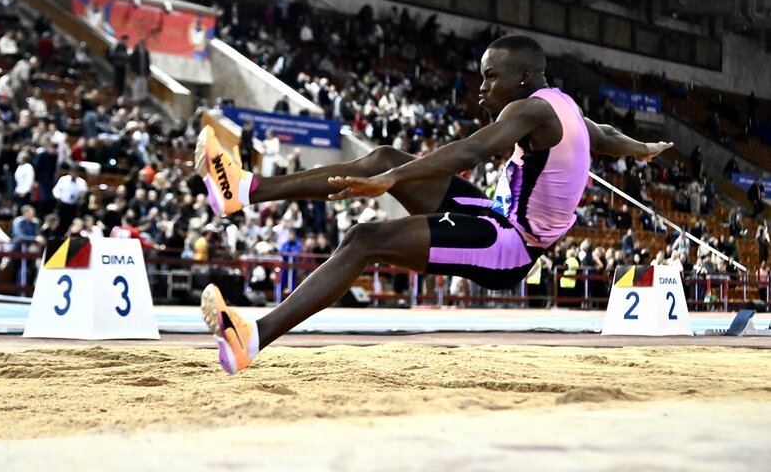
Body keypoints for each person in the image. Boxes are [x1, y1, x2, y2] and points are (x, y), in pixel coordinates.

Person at [194, 35, 673, 375]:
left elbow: (472, 152)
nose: (482, 87)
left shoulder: (529, 109)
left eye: (491, 77)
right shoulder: (565, 108)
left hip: (512, 245)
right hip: (494, 215)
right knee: (381, 154)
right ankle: (245, 188)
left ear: (524, 78)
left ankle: (251, 337)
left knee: (365, 237)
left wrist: (392, 180)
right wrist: (642, 148)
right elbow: (605, 136)